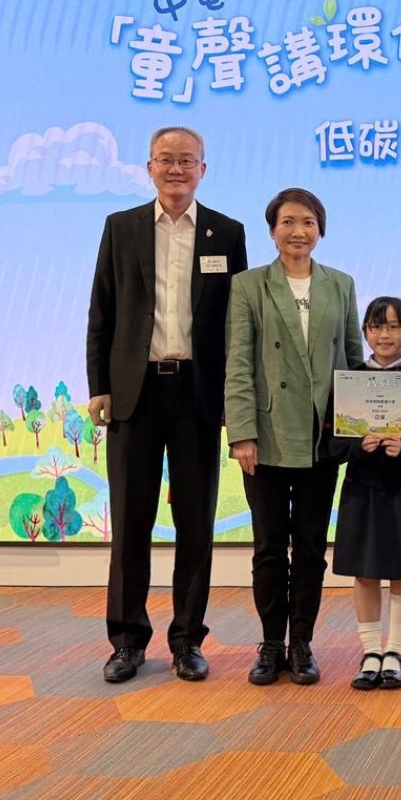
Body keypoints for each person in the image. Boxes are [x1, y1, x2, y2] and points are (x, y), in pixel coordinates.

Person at [86, 126, 247, 684]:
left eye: (187, 160)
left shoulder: (227, 233)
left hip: (198, 394)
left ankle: (187, 641)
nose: (176, 169)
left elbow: (235, 323)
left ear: (204, 169)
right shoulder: (121, 227)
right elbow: (102, 311)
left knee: (196, 523)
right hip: (136, 392)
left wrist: (232, 395)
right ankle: (127, 642)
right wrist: (99, 385)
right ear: (149, 166)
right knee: (131, 523)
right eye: (166, 160)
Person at [225, 187, 365, 686]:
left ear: (320, 230)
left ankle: (302, 642)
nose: (297, 232)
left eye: (307, 222)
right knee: (268, 547)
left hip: (320, 438)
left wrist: (355, 430)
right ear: (272, 231)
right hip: (265, 437)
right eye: (287, 222)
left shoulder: (340, 284)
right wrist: (242, 432)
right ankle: (270, 644)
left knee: (309, 548)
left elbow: (352, 360)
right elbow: (238, 362)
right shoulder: (248, 285)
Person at [329, 296, 401, 691]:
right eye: (377, 326)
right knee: (364, 574)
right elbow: (332, 444)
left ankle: (394, 651)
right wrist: (358, 446)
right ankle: (370, 652)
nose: (385, 334)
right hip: (361, 491)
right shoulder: (349, 381)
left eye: (394, 326)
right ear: (365, 332)